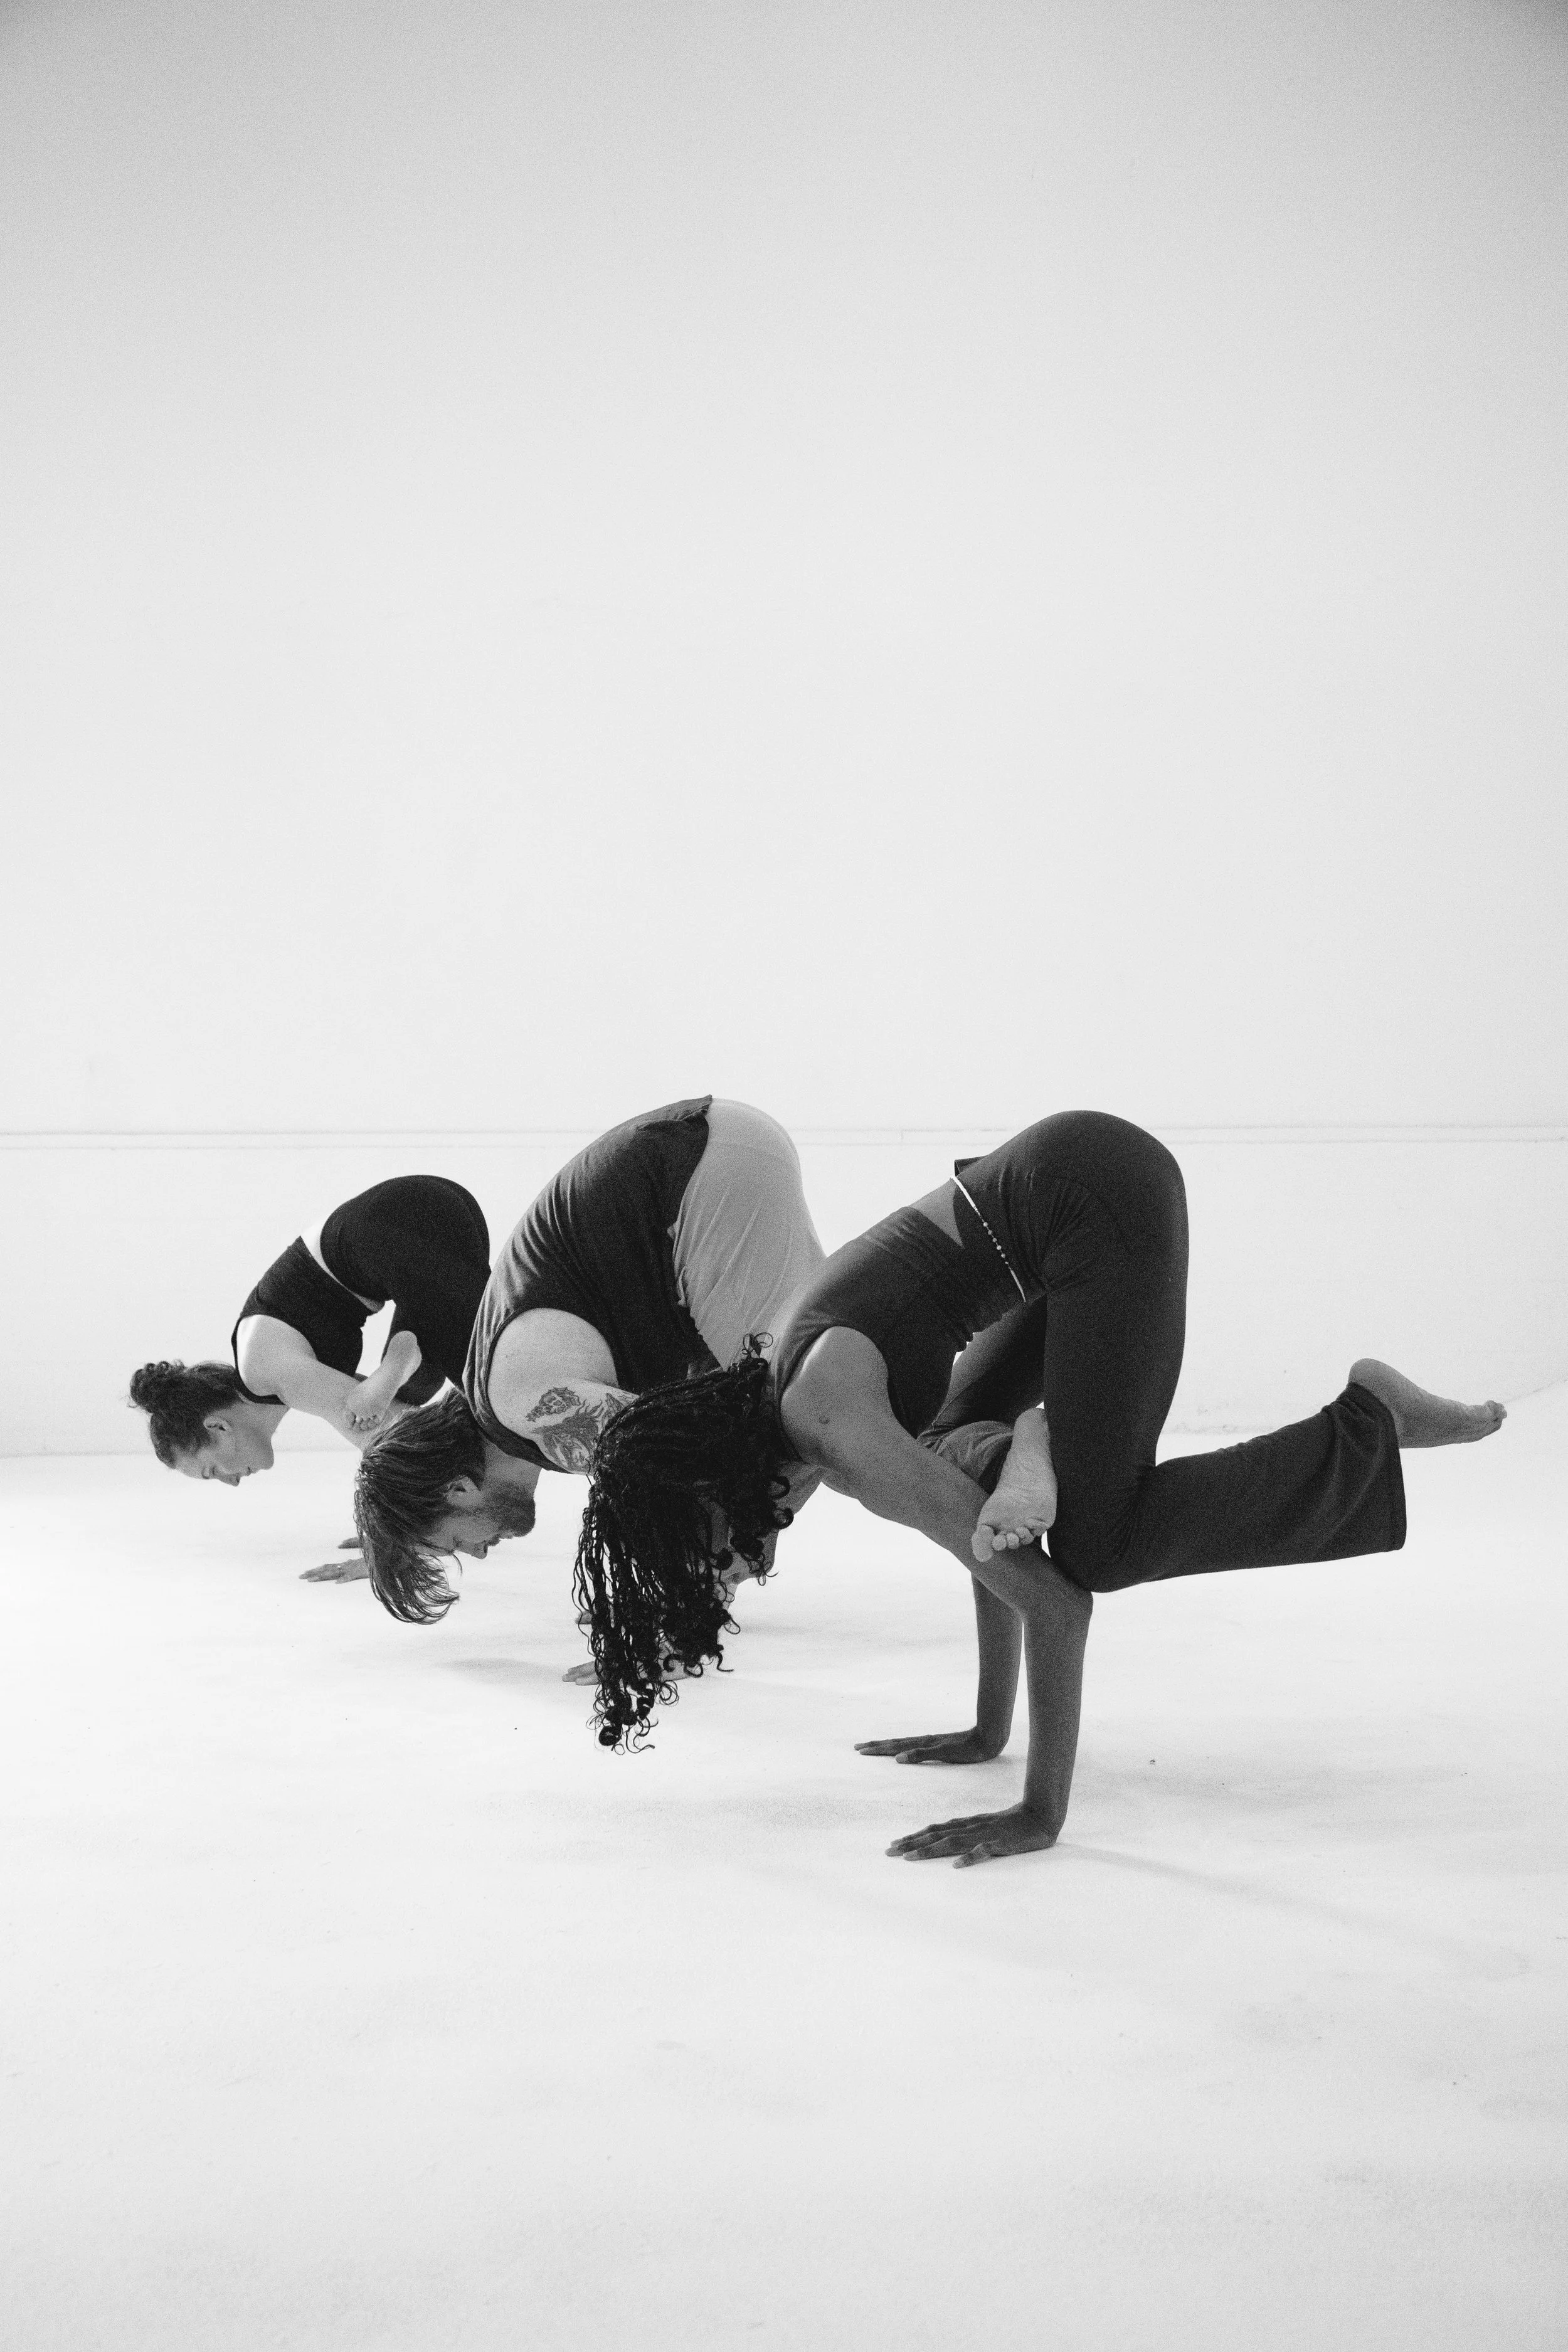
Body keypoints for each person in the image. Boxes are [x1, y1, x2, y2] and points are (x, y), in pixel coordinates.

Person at [571, 1110, 1506, 1867]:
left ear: (711, 1493)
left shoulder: (832, 1427)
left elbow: (1055, 1606)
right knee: (952, 1455)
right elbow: (978, 1539)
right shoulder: (791, 1401)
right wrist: (987, 1727)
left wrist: (1038, 1813)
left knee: (1103, 1542)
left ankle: (1366, 1422)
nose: (729, 1574)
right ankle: (1034, 1441)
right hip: (1044, 1201)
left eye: (706, 1560)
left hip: (1091, 1200)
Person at [352, 1099, 828, 1634]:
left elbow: (695, 1468)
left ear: (457, 1490)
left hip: (696, 1174)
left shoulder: (527, 1405)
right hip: (708, 1157)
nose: (480, 1555)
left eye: (454, 1544)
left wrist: (668, 1617)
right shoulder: (498, 1398)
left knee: (810, 1415)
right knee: (815, 1405)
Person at [129, 1175, 492, 1493]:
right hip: (429, 1210)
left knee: (489, 1398)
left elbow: (400, 1448)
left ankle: (401, 1359)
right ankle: (403, 1357)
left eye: (212, 1472)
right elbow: (398, 1427)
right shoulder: (281, 1384)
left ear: (218, 1427)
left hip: (395, 1222)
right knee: (428, 1392)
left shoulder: (265, 1372)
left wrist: (387, 1537)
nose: (232, 1482)